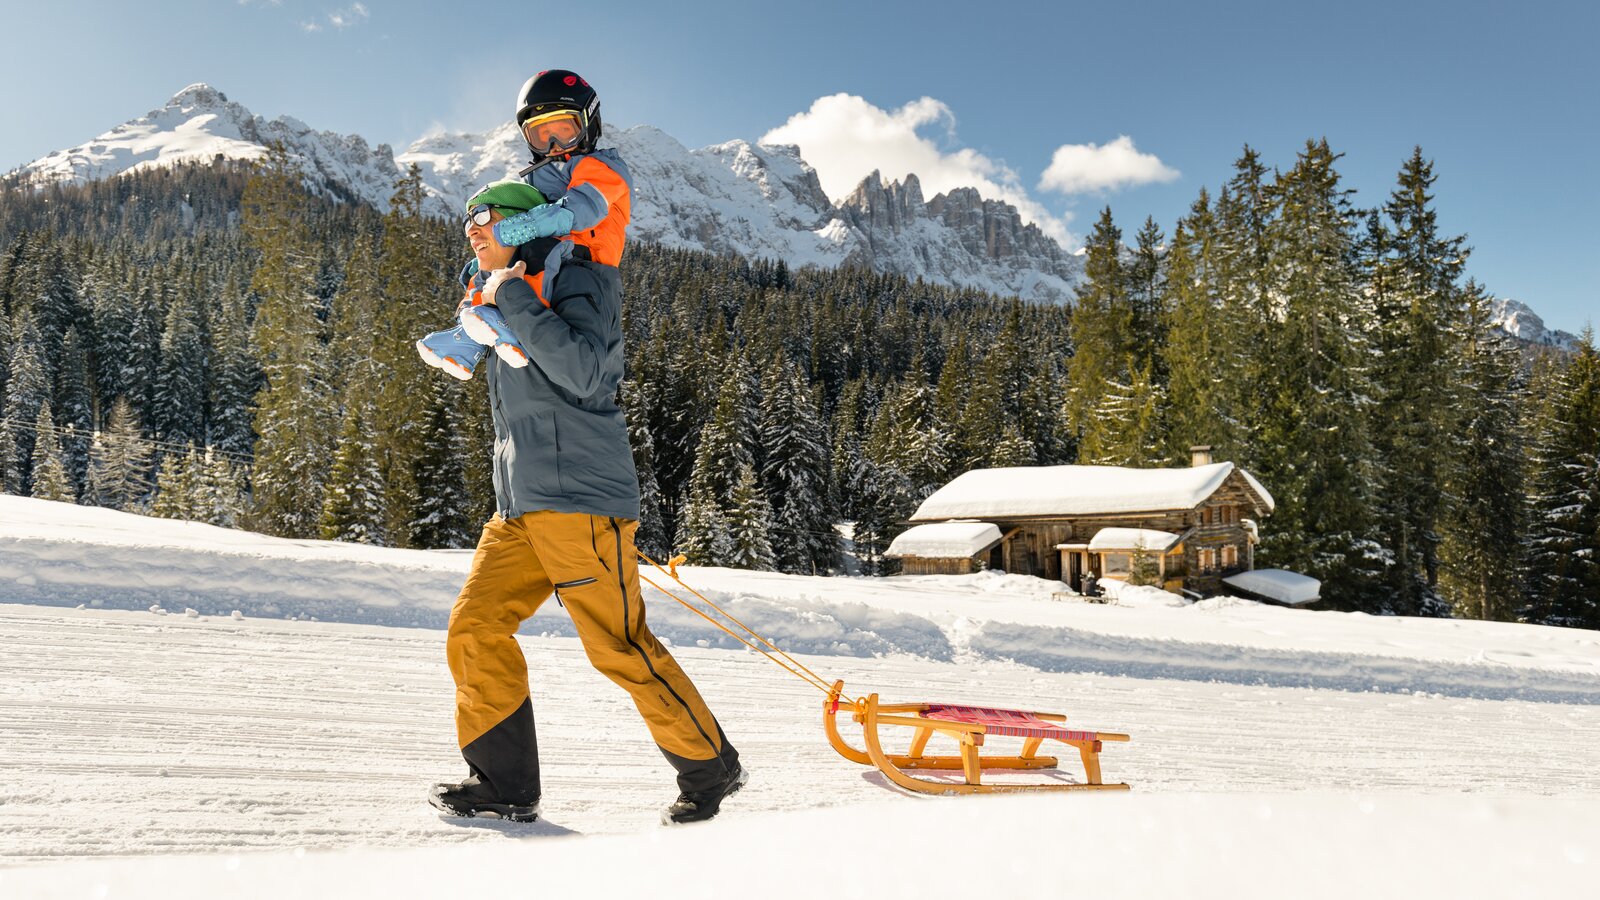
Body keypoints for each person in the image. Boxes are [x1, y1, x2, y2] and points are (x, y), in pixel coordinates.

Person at [429, 70, 745, 827]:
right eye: (538, 135)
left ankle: (710, 765)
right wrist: (492, 299)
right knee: (475, 629)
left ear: (588, 130)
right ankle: (503, 784)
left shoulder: (582, 278)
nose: (550, 142)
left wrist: (509, 295)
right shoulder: (517, 282)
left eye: (561, 130)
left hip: (582, 500)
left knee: (618, 646)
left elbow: (584, 371)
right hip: (523, 505)